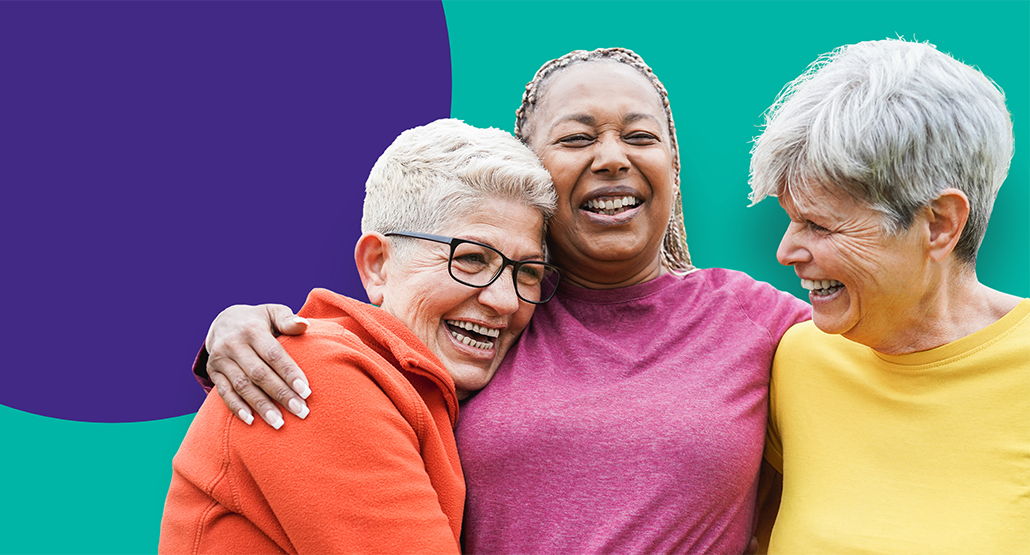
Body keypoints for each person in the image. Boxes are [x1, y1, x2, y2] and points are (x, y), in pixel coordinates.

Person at [195, 48, 810, 554]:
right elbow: (367, 356)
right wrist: (242, 328)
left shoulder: (758, 322)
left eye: (641, 135)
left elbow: (887, 361)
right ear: (536, 176)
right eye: (576, 138)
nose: (613, 156)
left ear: (674, 165)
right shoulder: (497, 320)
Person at [159, 118, 559, 554]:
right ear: (377, 265)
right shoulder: (312, 373)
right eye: (471, 258)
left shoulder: (420, 385)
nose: (505, 300)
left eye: (528, 272)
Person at [748, 39, 1028, 553]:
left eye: (820, 224)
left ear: (939, 225)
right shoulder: (797, 359)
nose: (786, 251)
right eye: (791, 218)